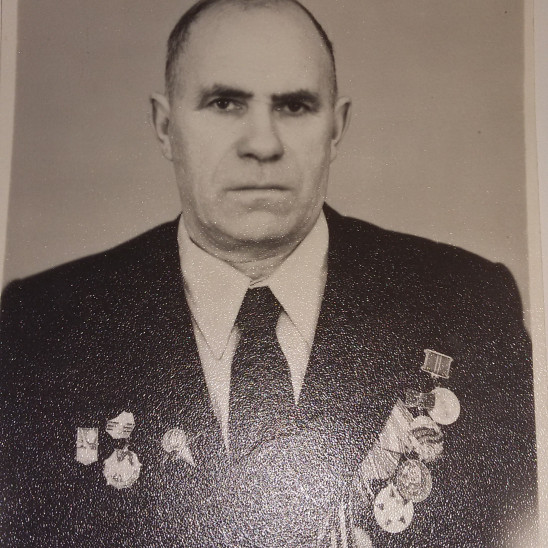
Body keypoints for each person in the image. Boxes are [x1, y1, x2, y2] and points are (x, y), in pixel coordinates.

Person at [0, 0, 537, 546]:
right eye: (224, 102)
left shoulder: (469, 305)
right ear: (165, 126)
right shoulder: (41, 327)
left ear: (336, 127)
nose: (262, 144)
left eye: (296, 106)